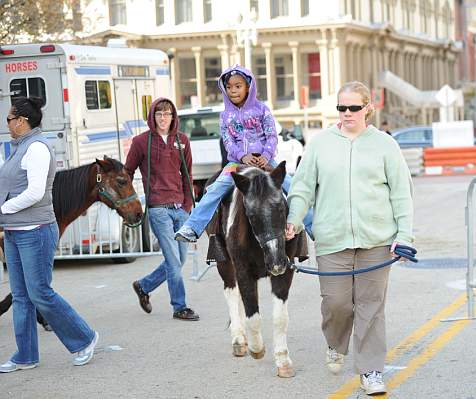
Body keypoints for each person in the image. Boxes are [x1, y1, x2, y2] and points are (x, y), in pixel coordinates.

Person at [284, 81, 414, 396]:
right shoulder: (320, 144)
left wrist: (404, 234)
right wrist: (293, 219)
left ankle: (370, 370)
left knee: (371, 306)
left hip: (377, 241)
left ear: (368, 108)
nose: (346, 114)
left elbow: (401, 194)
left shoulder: (384, 145)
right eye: (341, 108)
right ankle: (335, 342)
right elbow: (302, 187)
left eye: (353, 108)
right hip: (332, 239)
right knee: (337, 304)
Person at [0, 97, 99, 373]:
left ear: (21, 121)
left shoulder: (37, 149)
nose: (6, 123)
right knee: (21, 297)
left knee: (41, 293)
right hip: (15, 232)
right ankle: (26, 355)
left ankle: (85, 338)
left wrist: (3, 209)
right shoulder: (17, 148)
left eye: (9, 118)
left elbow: (34, 193)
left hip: (36, 231)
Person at [174, 64, 312, 242]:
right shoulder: (225, 116)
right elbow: (228, 142)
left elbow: (271, 135)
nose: (232, 90)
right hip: (237, 163)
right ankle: (192, 227)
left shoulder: (262, 110)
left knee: (292, 186)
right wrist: (242, 157)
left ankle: (313, 225)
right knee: (214, 190)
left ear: (248, 87)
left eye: (237, 86)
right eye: (228, 87)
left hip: (266, 160)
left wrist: (265, 156)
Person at [125, 97, 199, 321]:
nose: (163, 118)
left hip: (181, 209)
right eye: (159, 114)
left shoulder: (182, 140)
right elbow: (127, 172)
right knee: (174, 261)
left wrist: (187, 205)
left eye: (167, 114)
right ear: (152, 116)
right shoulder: (141, 142)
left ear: (173, 116)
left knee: (180, 259)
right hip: (158, 209)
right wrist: (129, 200)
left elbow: (188, 175)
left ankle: (144, 285)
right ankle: (180, 307)